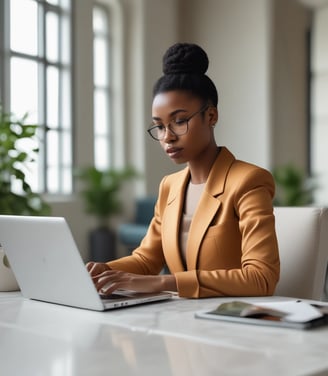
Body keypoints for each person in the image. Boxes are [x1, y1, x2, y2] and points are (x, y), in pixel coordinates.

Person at [87, 42, 280, 298]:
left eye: (179, 121)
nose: (168, 137)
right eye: (159, 126)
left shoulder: (248, 181)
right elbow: (146, 261)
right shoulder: (170, 186)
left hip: (231, 325)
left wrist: (165, 283)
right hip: (178, 321)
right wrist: (102, 271)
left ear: (211, 116)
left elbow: (261, 278)